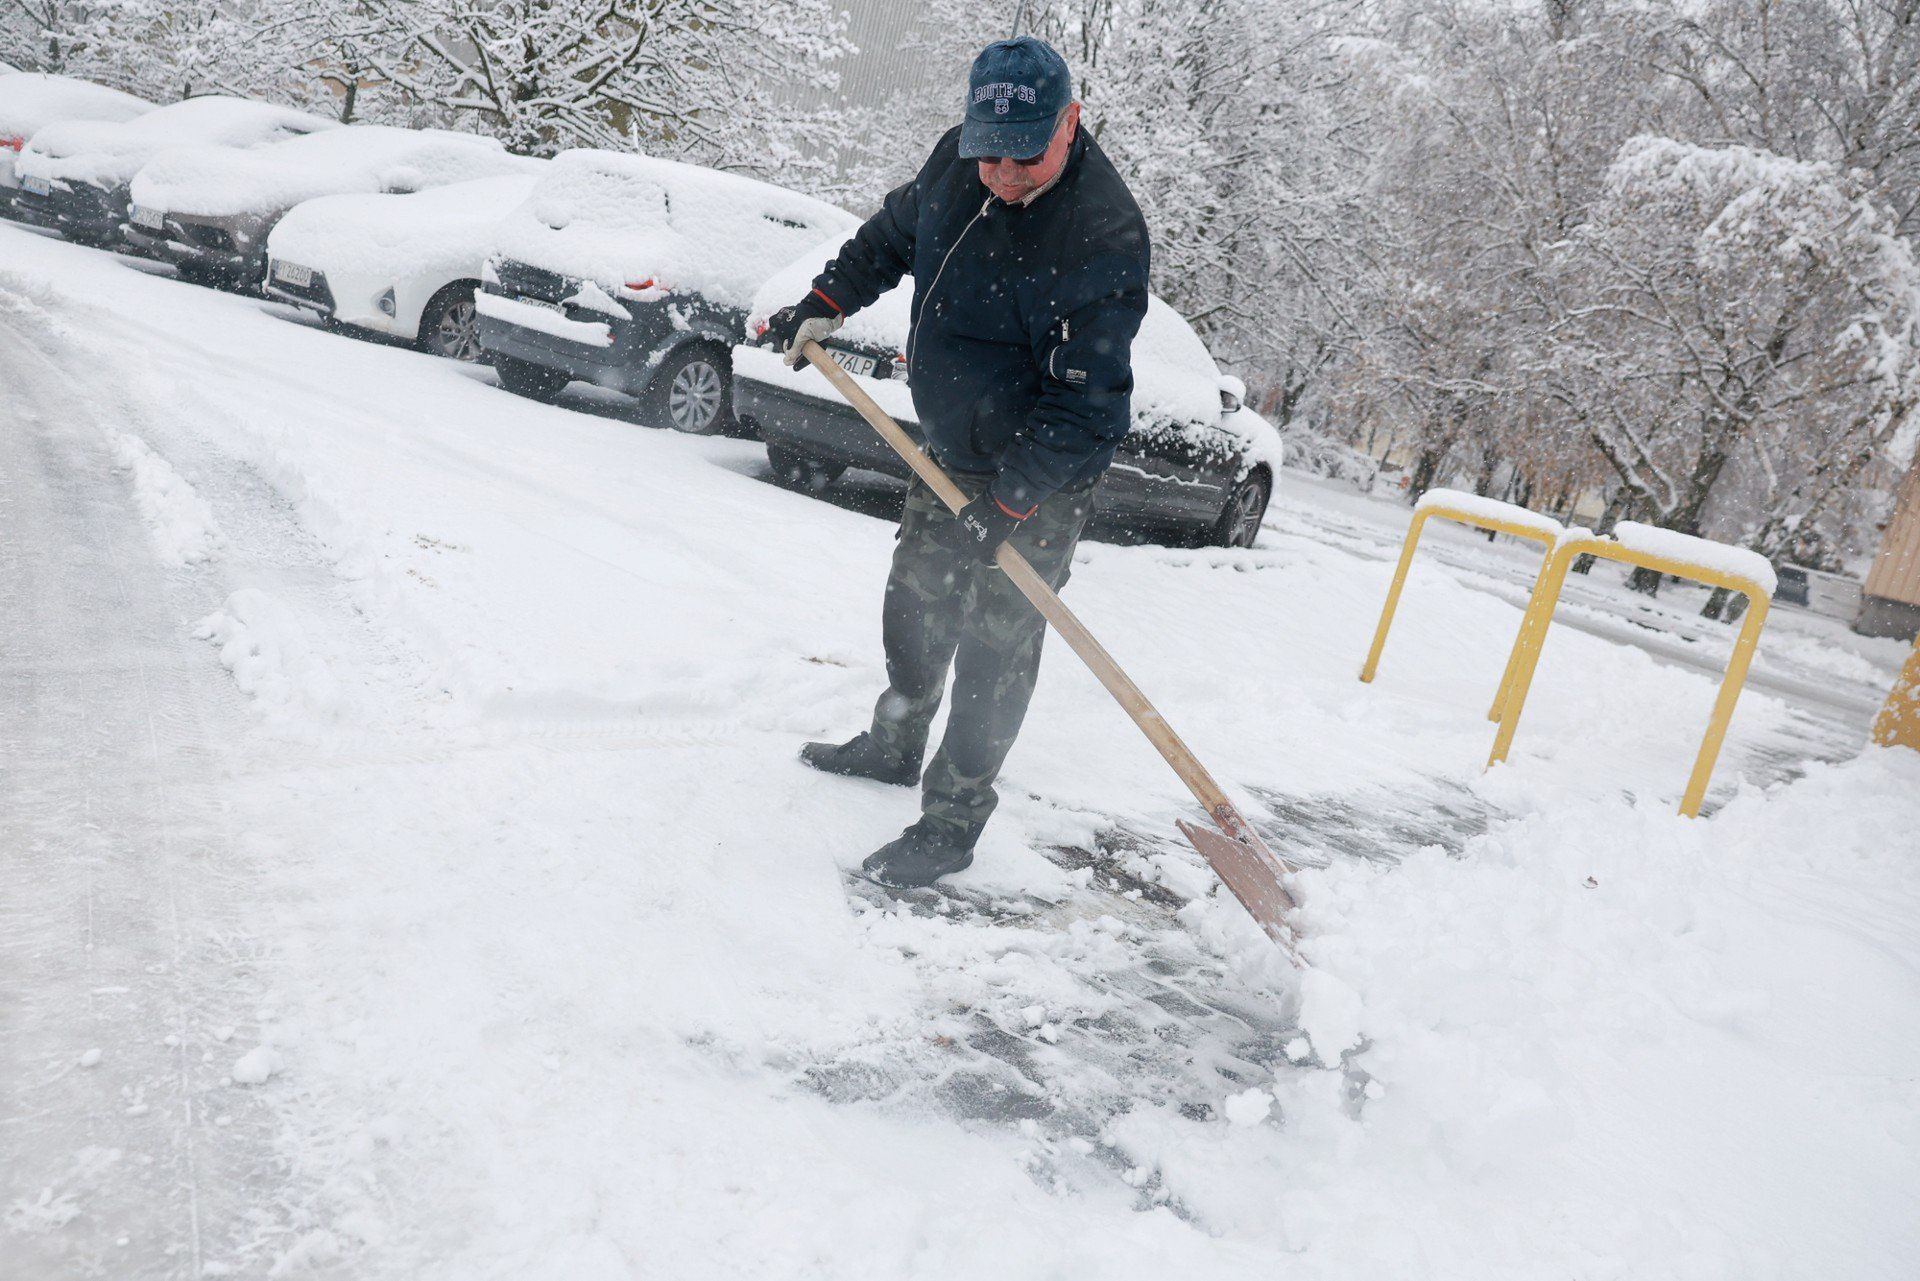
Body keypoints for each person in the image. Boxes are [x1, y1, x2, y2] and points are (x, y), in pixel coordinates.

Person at [764, 35, 1150, 889]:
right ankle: (896, 739)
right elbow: (889, 238)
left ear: (1070, 123)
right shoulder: (960, 160)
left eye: (1023, 158)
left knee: (995, 645)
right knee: (915, 599)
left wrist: (1011, 500)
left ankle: (952, 819)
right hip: (947, 451)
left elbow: (1089, 407)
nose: (1002, 177)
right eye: (989, 155)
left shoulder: (1103, 234)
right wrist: (824, 303)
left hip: (1038, 479)